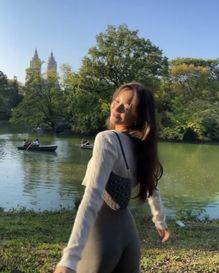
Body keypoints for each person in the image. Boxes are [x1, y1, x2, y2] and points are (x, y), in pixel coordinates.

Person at [54, 82, 170, 273]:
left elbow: (92, 198)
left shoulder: (107, 139)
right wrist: (160, 222)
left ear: (139, 115)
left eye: (127, 106)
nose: (117, 107)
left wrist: (69, 260)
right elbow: (152, 188)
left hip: (101, 233)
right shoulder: (141, 146)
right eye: (116, 101)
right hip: (128, 234)